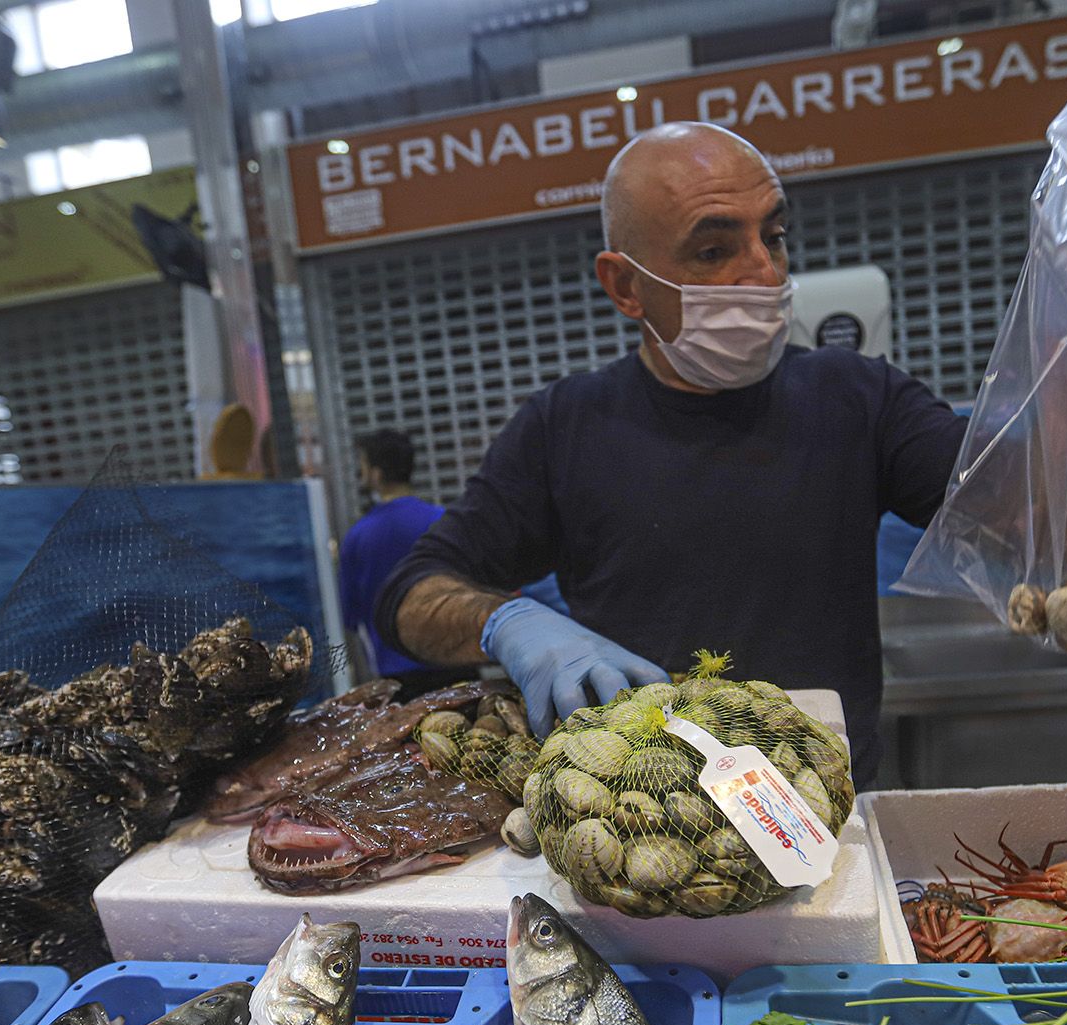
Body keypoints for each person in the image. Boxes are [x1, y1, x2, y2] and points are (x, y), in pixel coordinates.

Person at [374, 122, 968, 784]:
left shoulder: (860, 397)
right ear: (625, 287)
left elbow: (1007, 505)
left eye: (773, 236)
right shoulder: (566, 427)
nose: (764, 272)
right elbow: (410, 596)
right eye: (714, 250)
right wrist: (506, 624)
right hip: (641, 818)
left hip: (828, 808)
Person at [337, 428, 461, 693]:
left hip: (397, 676)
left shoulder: (358, 537)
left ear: (376, 473)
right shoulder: (443, 521)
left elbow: (351, 616)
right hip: (457, 663)